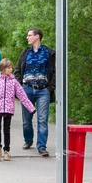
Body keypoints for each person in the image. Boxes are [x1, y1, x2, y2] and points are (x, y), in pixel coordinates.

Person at [0, 59, 36, 162]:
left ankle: (7, 150)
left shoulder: (14, 82)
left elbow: (22, 96)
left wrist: (31, 108)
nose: (11, 69)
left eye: (11, 67)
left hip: (9, 108)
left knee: (6, 129)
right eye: (9, 67)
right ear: (3, 69)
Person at [14, 28, 55, 156]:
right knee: (27, 119)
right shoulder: (25, 52)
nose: (27, 37)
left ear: (37, 36)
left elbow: (55, 72)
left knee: (42, 119)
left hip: (43, 90)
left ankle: (41, 146)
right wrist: (20, 86)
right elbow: (17, 70)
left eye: (29, 35)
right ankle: (28, 140)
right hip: (27, 89)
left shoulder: (49, 53)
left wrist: (50, 88)